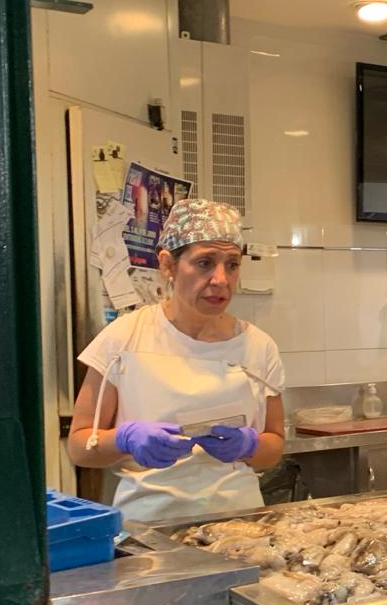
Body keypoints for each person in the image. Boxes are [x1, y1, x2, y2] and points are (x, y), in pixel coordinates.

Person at [69, 199, 286, 522]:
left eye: (232, 264)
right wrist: (125, 438)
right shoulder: (125, 338)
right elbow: (79, 445)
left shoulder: (258, 347)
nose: (221, 280)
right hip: (148, 525)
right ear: (168, 265)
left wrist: (249, 445)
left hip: (241, 525)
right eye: (204, 263)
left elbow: (274, 445)